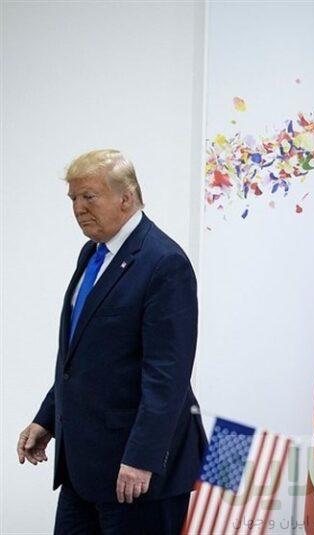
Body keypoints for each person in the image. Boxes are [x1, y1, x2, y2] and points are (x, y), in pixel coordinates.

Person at [16, 149, 206, 534]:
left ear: (126, 196)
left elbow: (167, 376)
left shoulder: (164, 262)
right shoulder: (91, 254)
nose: (78, 208)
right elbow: (79, 358)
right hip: (84, 468)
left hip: (136, 474)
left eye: (89, 196)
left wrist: (142, 459)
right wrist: (47, 418)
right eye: (73, 198)